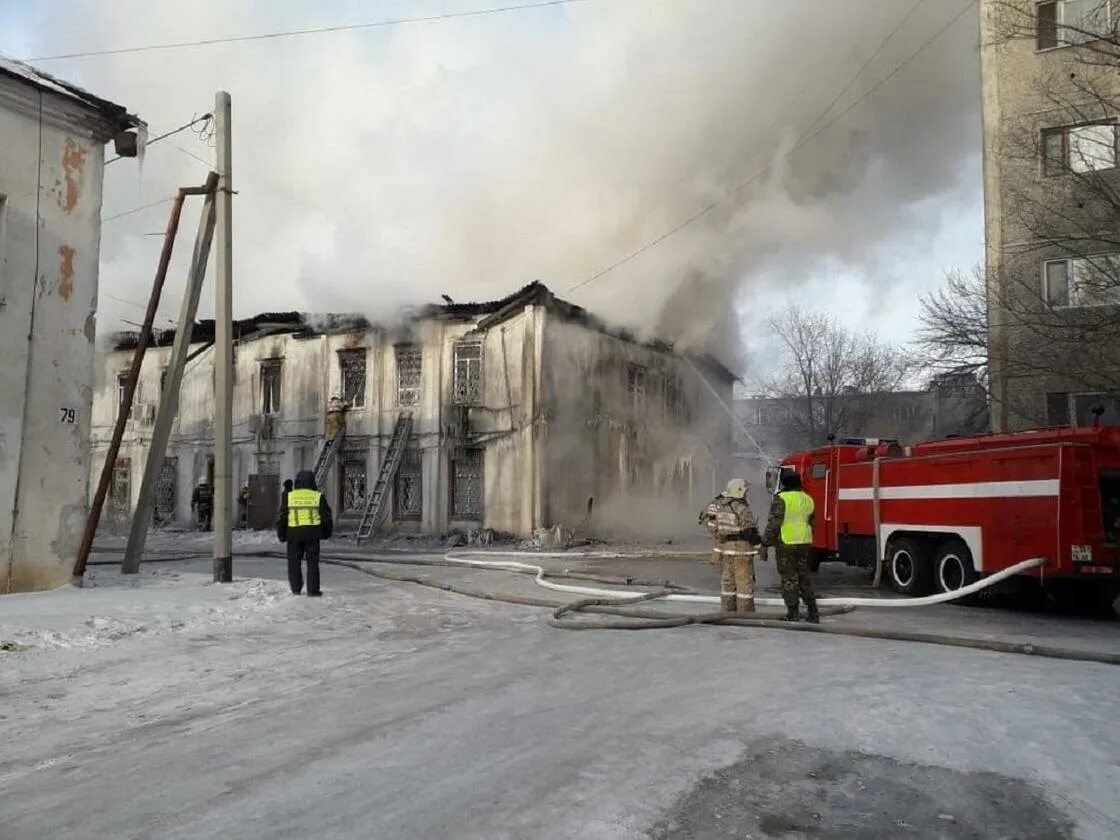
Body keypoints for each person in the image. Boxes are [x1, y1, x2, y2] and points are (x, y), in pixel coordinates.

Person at [761, 470, 819, 623]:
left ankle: (793, 613)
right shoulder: (808, 499)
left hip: (786, 543)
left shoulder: (781, 499)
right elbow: (812, 523)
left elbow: (774, 523)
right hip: (804, 543)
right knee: (804, 577)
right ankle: (813, 611)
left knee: (789, 578)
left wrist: (765, 544)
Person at [699, 478, 761, 612]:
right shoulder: (742, 508)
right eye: (745, 491)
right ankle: (746, 613)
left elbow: (717, 529)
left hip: (728, 551)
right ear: (739, 491)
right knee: (744, 582)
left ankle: (728, 610)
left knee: (728, 582)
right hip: (743, 551)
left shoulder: (722, 508)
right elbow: (749, 530)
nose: (746, 494)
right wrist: (759, 541)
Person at [276, 469, 333, 597]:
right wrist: (326, 533)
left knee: (294, 562)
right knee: (312, 562)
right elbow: (326, 517)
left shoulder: (289, 496)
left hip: (293, 533)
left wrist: (281, 533)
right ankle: (313, 590)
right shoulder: (317, 496)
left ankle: (296, 588)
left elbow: (282, 516)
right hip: (312, 533)